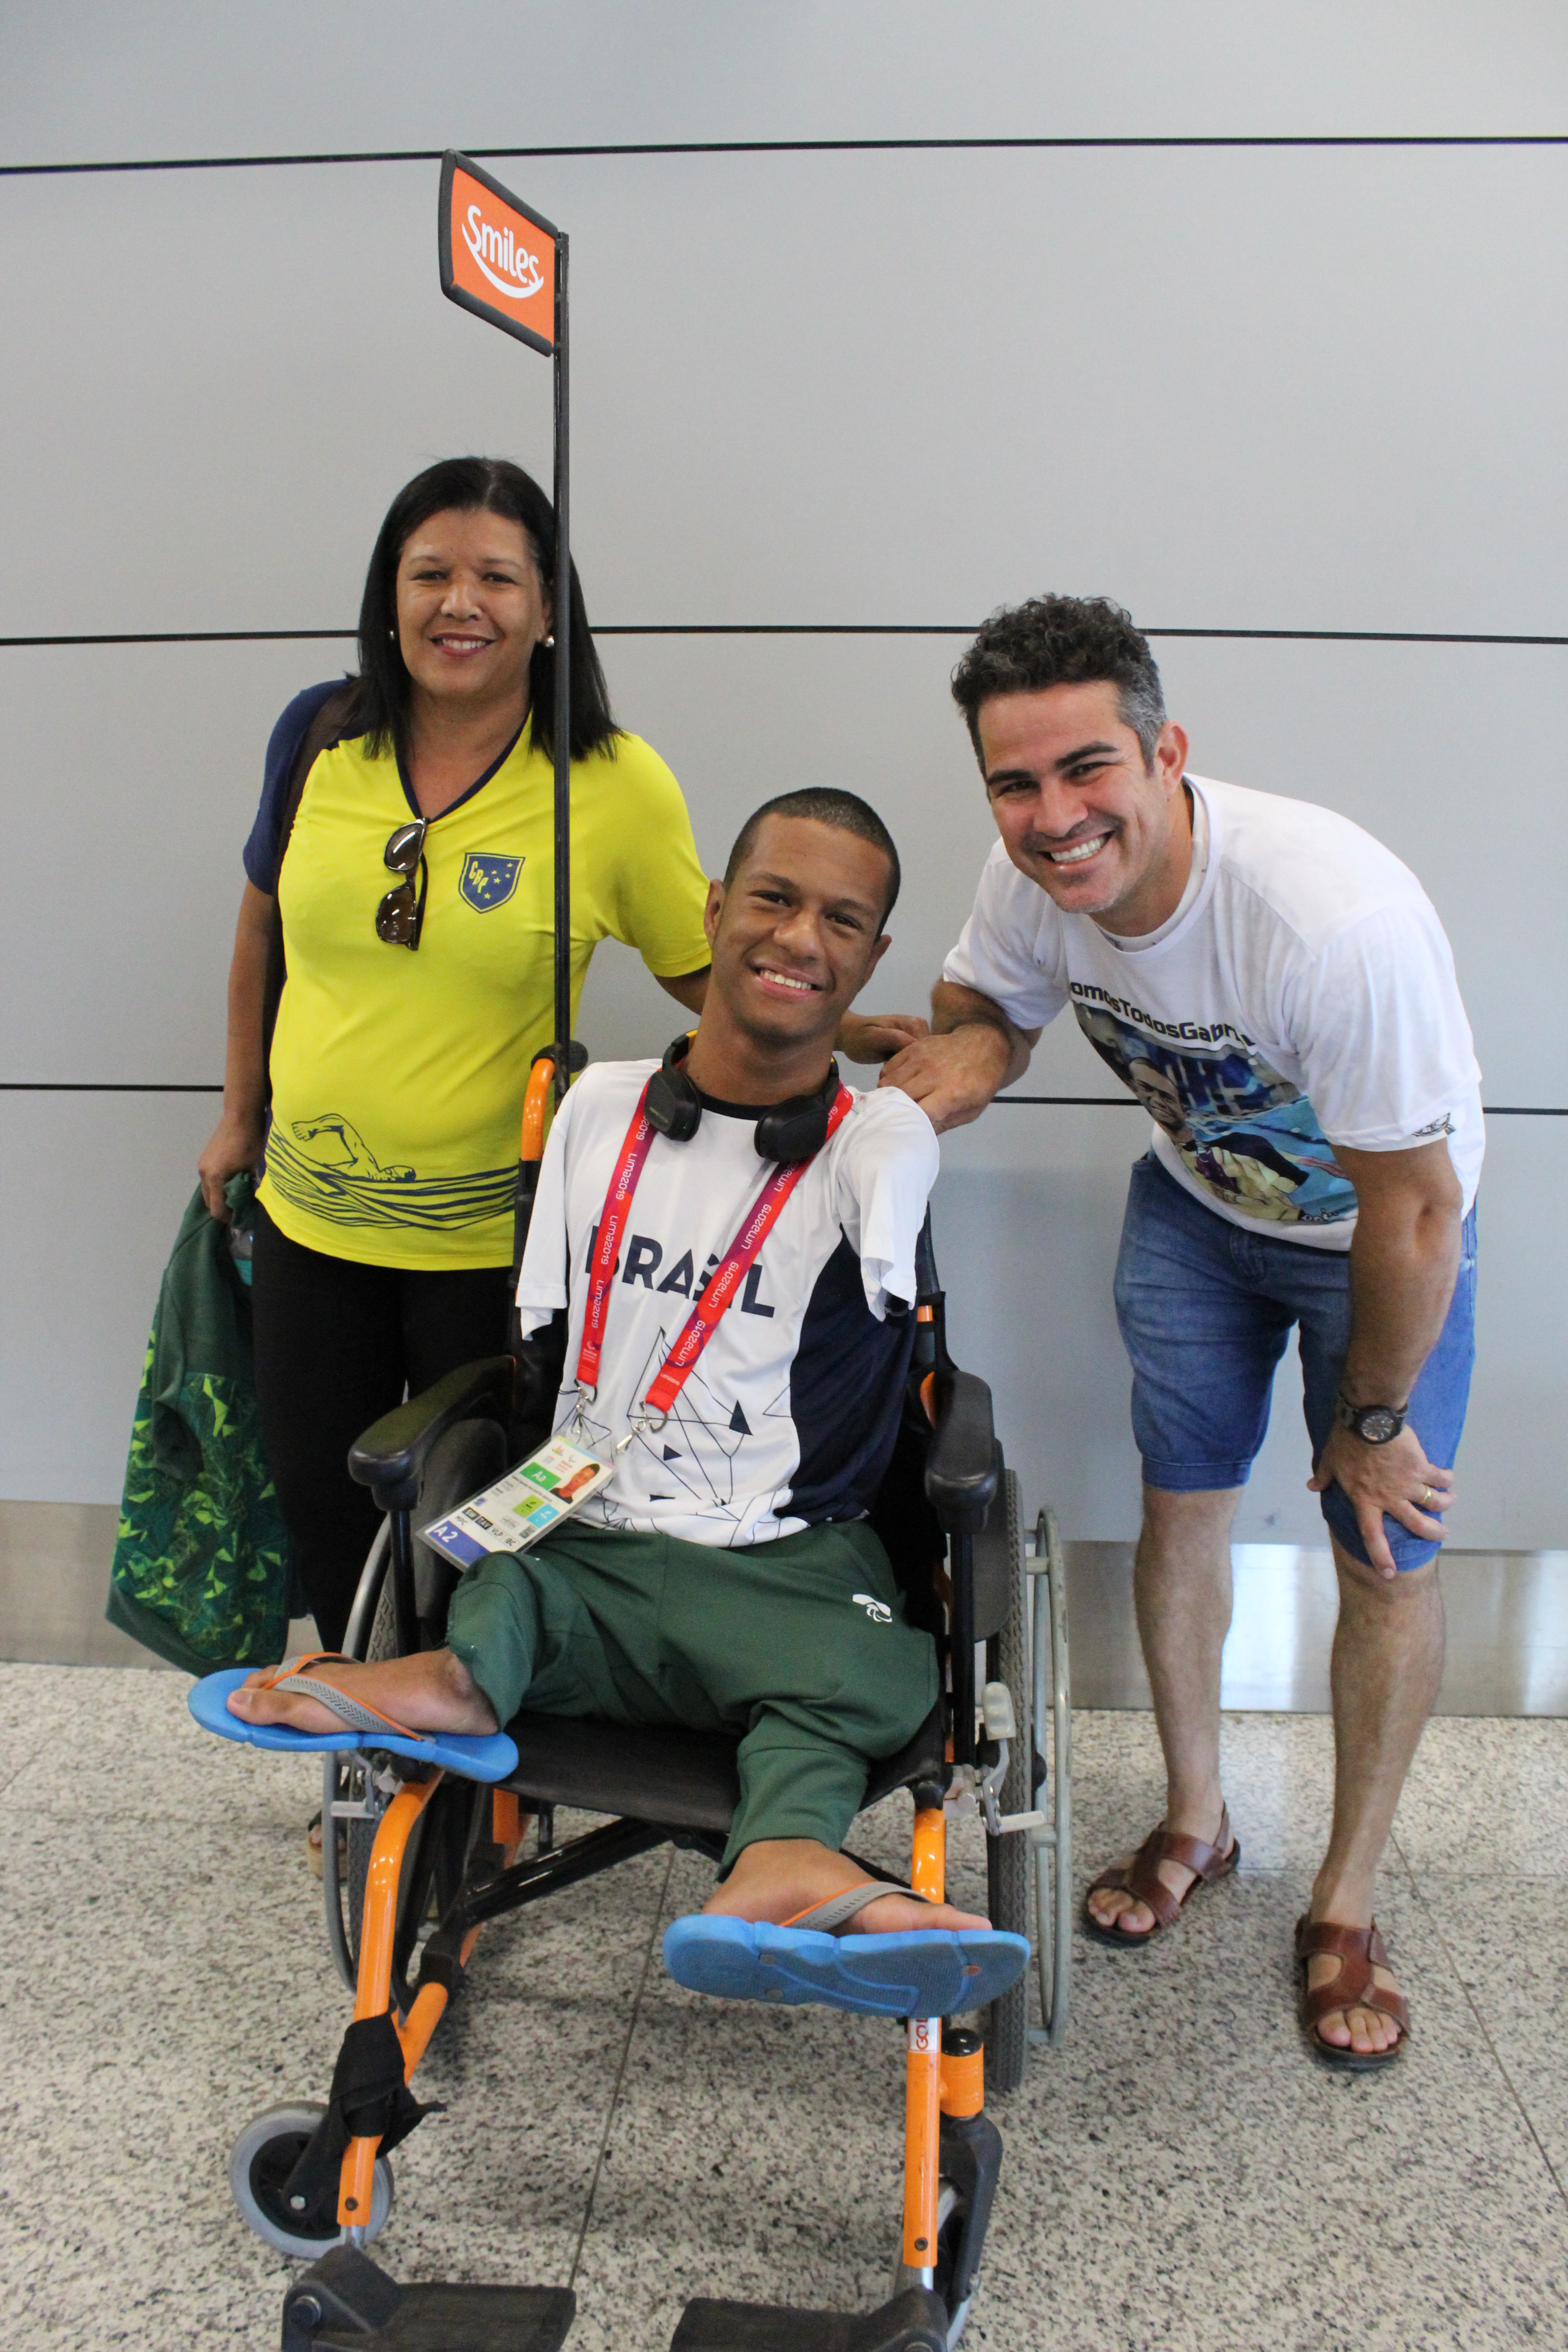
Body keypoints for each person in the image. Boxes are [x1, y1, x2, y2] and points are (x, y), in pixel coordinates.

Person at [229, 791, 998, 1951]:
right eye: (775, 898)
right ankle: (451, 1684)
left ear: (873, 958)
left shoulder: (870, 1148)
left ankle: (783, 1864)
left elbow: (903, 1139)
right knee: (503, 1581)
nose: (800, 937)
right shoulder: (596, 1110)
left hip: (785, 1574)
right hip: (588, 1551)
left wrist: (897, 1105)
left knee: (873, 1670)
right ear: (714, 907)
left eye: (842, 922)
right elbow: (541, 1338)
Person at [879, 595, 1481, 2068]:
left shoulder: (1327, 922)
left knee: (1379, 1545)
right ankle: (1196, 1818)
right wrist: (942, 1073)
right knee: (1179, 1513)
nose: (1052, 817)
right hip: (1198, 1217)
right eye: (1013, 784)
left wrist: (1372, 1416)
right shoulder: (1030, 871)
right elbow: (985, 1000)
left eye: (1087, 770)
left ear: (1166, 753)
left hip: (1377, 1244)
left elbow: (1413, 1211)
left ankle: (1341, 1898)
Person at [198, 457, 715, 1660]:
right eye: (429, 573)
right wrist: (239, 1116)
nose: (459, 603)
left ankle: (483, 1775)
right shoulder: (320, 736)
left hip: (496, 1248)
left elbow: (705, 968)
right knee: (327, 1508)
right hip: (311, 1227)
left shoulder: (610, 782)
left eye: (496, 577)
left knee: (479, 1525)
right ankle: (375, 1745)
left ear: (545, 610)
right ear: (388, 598)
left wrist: (840, 1029)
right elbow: (261, 932)